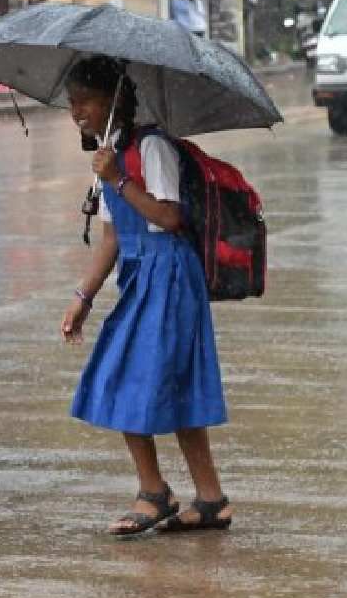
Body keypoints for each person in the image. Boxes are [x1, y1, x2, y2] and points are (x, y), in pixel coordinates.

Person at [60, 55, 233, 535]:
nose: (77, 113)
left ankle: (159, 494)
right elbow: (112, 240)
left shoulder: (149, 148)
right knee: (131, 378)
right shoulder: (109, 155)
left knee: (141, 379)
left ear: (113, 100)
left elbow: (169, 217)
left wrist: (119, 178)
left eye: (85, 102)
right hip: (138, 276)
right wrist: (84, 296)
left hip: (170, 274)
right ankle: (202, 498)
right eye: (71, 104)